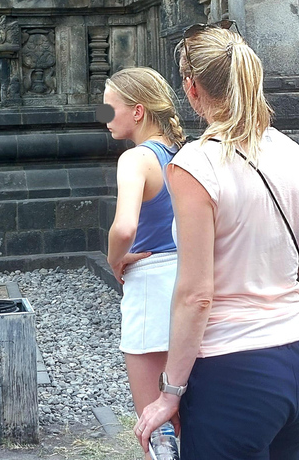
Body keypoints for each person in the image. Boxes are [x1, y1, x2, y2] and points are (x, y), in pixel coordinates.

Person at [133, 21, 299, 459]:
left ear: (191, 87)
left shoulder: (196, 164)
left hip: (231, 368)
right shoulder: (296, 155)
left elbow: (196, 294)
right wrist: (290, 332)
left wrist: (170, 391)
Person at [103, 67, 186, 460]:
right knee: (188, 412)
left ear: (137, 111)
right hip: (189, 278)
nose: (105, 118)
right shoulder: (184, 153)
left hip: (151, 284)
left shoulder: (136, 158)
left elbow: (124, 227)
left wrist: (114, 259)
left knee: (156, 424)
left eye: (110, 108)